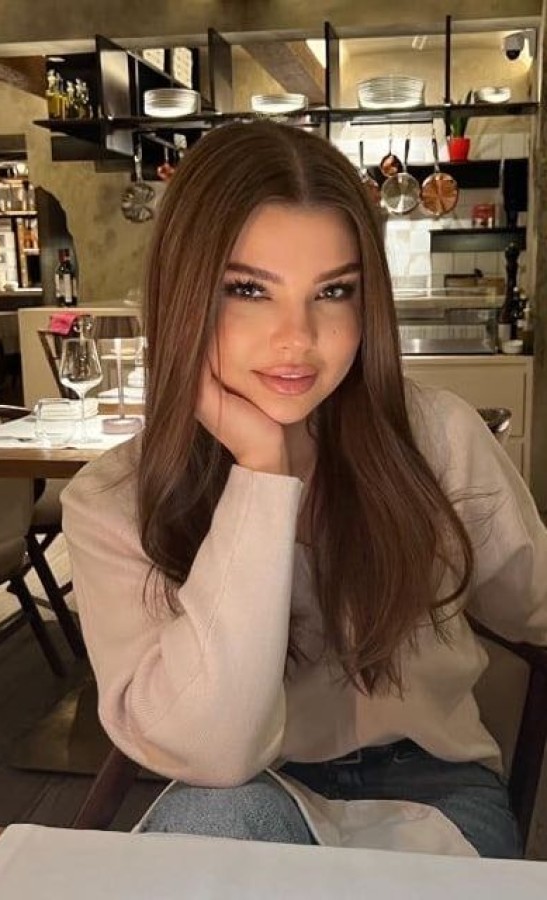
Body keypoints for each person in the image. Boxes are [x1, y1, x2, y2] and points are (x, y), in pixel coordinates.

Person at [62, 121, 547, 858]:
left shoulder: (435, 437)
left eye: (334, 291)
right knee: (216, 819)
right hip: (249, 787)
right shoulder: (112, 500)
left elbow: (533, 599)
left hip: (432, 784)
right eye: (247, 289)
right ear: (182, 294)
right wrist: (260, 473)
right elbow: (215, 755)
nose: (297, 338)